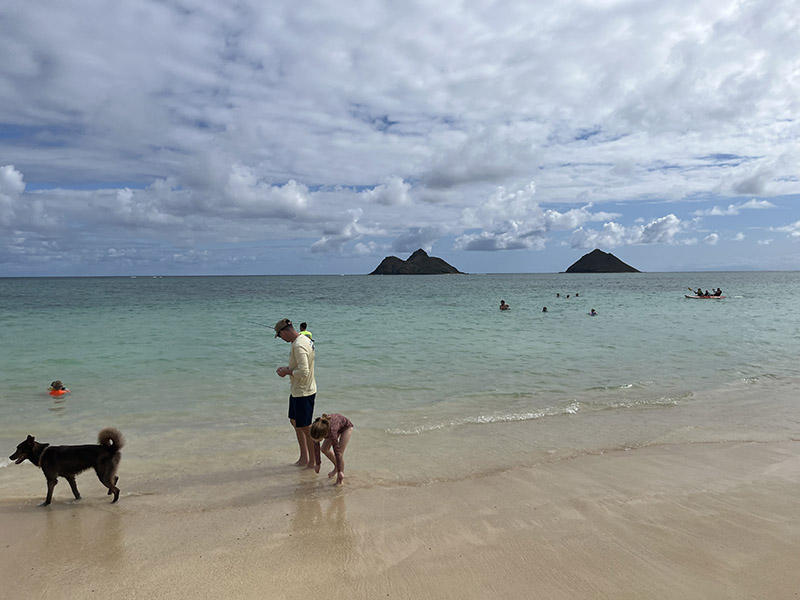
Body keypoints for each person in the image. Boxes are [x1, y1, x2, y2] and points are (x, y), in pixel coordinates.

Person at [275, 318, 317, 469]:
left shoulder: (299, 345)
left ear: (284, 332)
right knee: (294, 421)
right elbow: (300, 366)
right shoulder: (303, 339)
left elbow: (304, 371)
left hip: (304, 392)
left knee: (306, 427)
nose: (281, 339)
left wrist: (287, 372)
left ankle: (312, 462)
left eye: (279, 336)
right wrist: (288, 368)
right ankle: (304, 458)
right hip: (298, 391)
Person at [310, 413, 354, 486]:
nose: (316, 442)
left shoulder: (332, 433)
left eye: (319, 440)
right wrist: (318, 464)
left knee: (340, 453)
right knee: (324, 449)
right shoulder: (314, 428)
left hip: (346, 428)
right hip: (333, 427)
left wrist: (340, 471)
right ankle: (337, 467)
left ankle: (339, 480)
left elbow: (337, 452)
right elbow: (316, 446)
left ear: (324, 435)